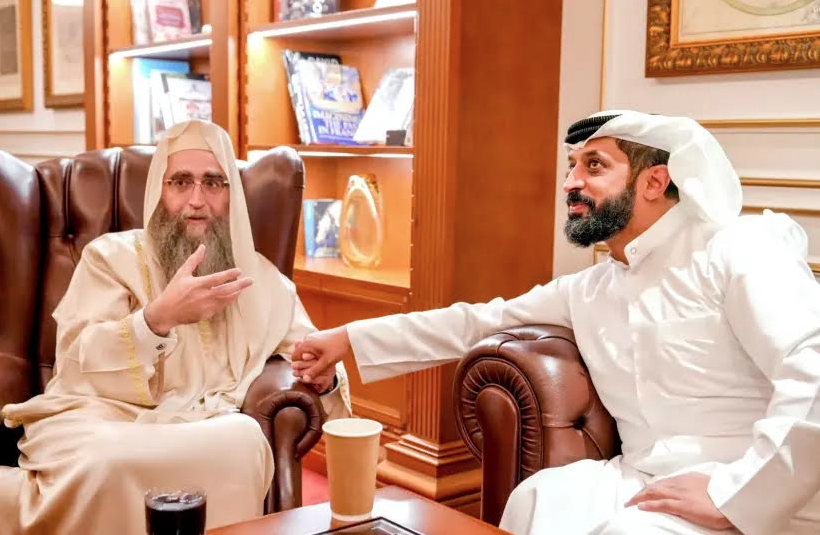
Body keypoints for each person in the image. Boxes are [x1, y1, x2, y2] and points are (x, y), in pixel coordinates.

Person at [291, 111, 820, 535]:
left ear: (655, 181)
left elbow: (812, 370)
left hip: (747, 486)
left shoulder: (739, 249)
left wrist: (732, 493)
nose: (571, 183)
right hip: (639, 478)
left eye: (594, 166)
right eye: (571, 167)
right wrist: (347, 339)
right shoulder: (589, 288)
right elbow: (476, 322)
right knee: (538, 499)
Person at [0, 120, 350, 535]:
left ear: (231, 194)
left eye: (213, 183)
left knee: (243, 440)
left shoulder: (257, 278)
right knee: (105, 462)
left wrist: (324, 376)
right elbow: (78, 361)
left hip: (204, 426)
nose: (196, 201)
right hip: (102, 419)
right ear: (159, 190)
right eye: (180, 182)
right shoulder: (110, 257)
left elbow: (314, 352)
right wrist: (157, 319)